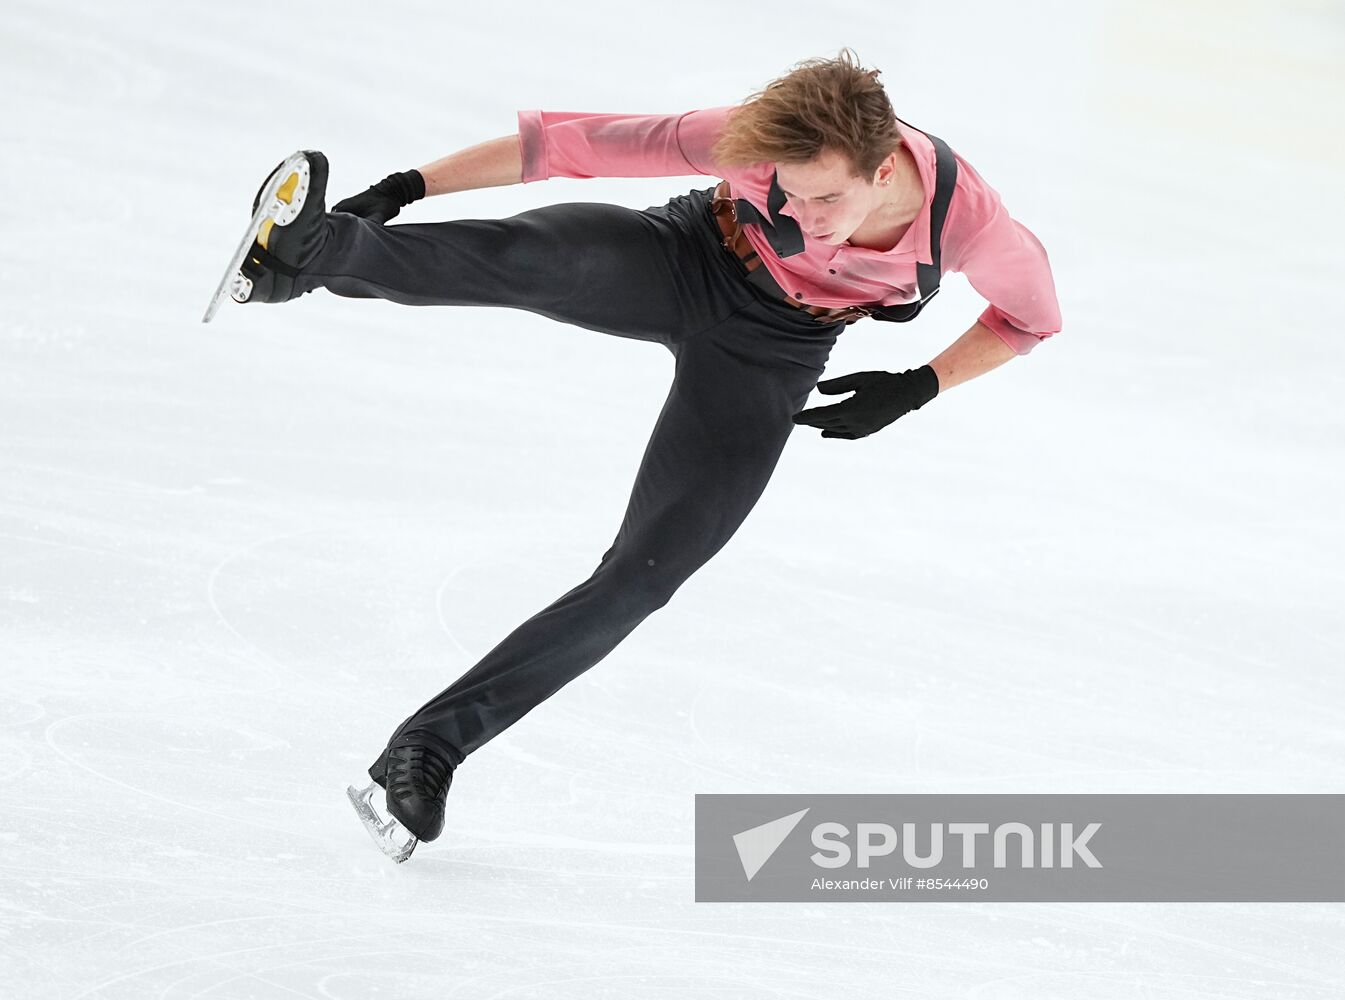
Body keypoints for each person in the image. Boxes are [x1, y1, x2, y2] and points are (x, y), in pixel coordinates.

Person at [223, 49, 1061, 857]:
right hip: (681, 258)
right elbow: (557, 148)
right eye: (788, 194)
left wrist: (919, 385)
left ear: (883, 173)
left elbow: (1029, 318)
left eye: (823, 199)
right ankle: (314, 253)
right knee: (536, 259)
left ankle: (429, 750)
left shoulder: (968, 220)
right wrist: (402, 188)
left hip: (773, 353)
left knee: (647, 573)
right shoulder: (749, 137)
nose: (803, 217)